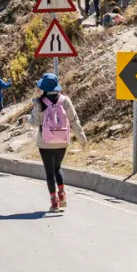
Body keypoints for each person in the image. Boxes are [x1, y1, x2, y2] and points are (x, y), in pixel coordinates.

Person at [28, 73, 87, 212]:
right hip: (62, 141)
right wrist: (82, 139)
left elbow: (34, 122)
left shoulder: (39, 102)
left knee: (49, 172)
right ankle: (62, 195)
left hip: (45, 142)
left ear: (43, 87)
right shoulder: (65, 100)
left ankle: (54, 203)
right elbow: (74, 120)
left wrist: (27, 119)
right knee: (57, 167)